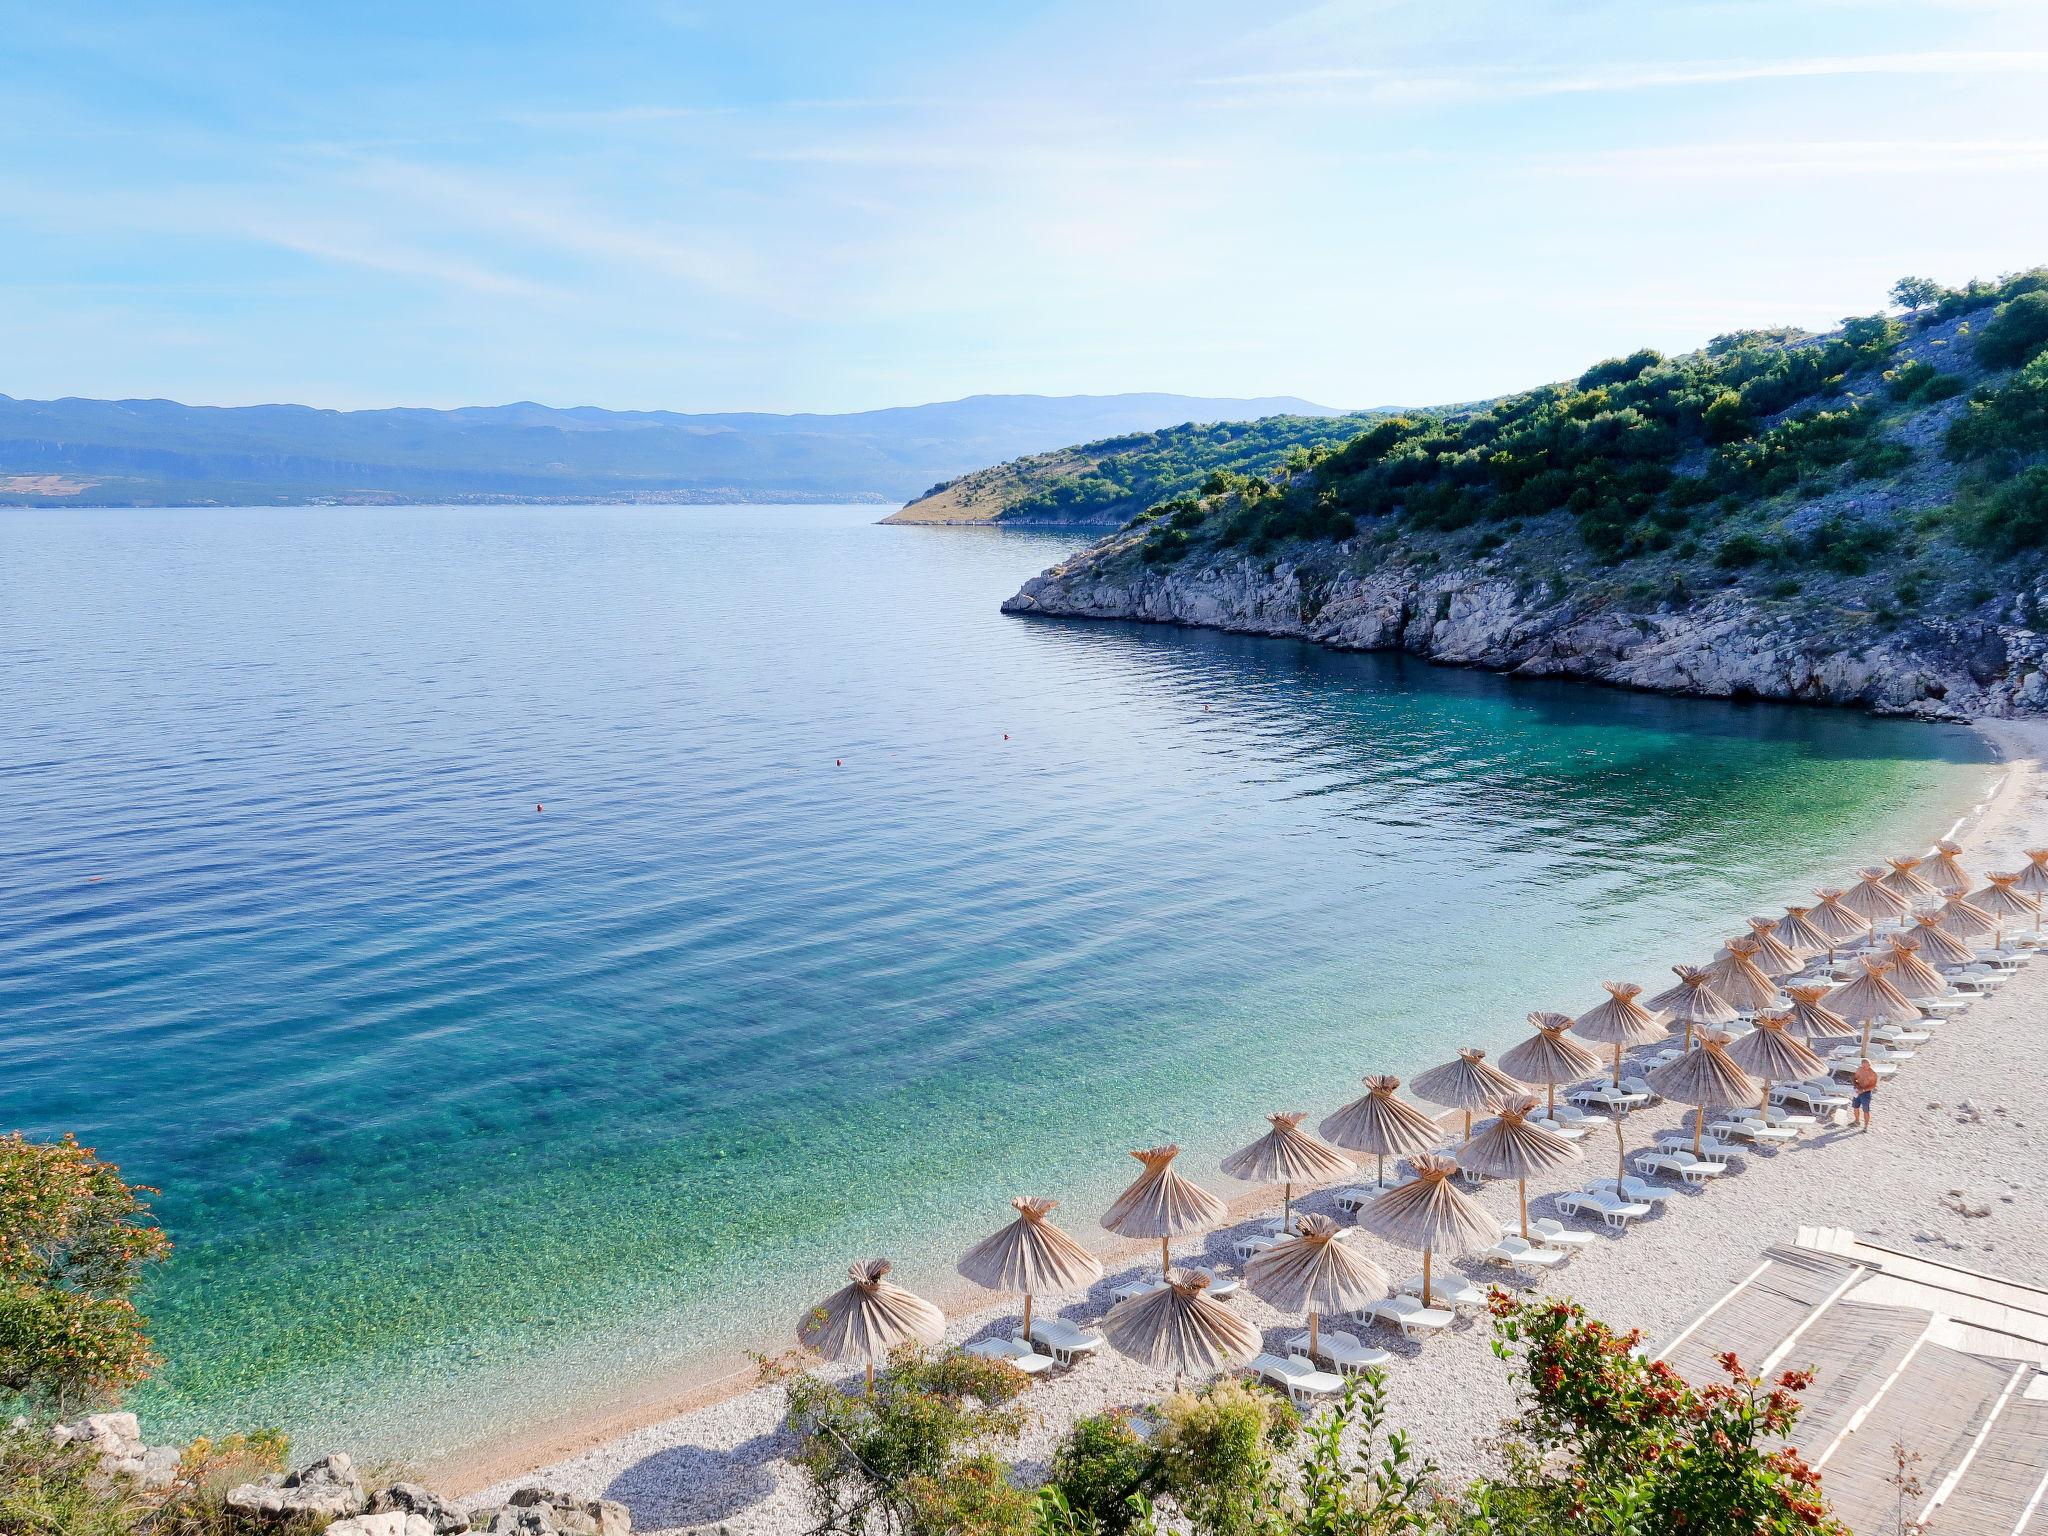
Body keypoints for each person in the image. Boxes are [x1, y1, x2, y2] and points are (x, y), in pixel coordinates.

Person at [1851, 1057, 1879, 1131]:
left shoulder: (1873, 1074)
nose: (1865, 1067)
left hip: (1866, 1093)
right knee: (1855, 1107)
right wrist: (1856, 1086)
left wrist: (1863, 1090)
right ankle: (1857, 1121)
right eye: (1863, 1066)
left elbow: (1873, 1086)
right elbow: (1855, 1078)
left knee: (1865, 1110)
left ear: (1869, 1065)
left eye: (1866, 1066)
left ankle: (1865, 1126)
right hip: (1858, 1090)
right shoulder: (1859, 1070)